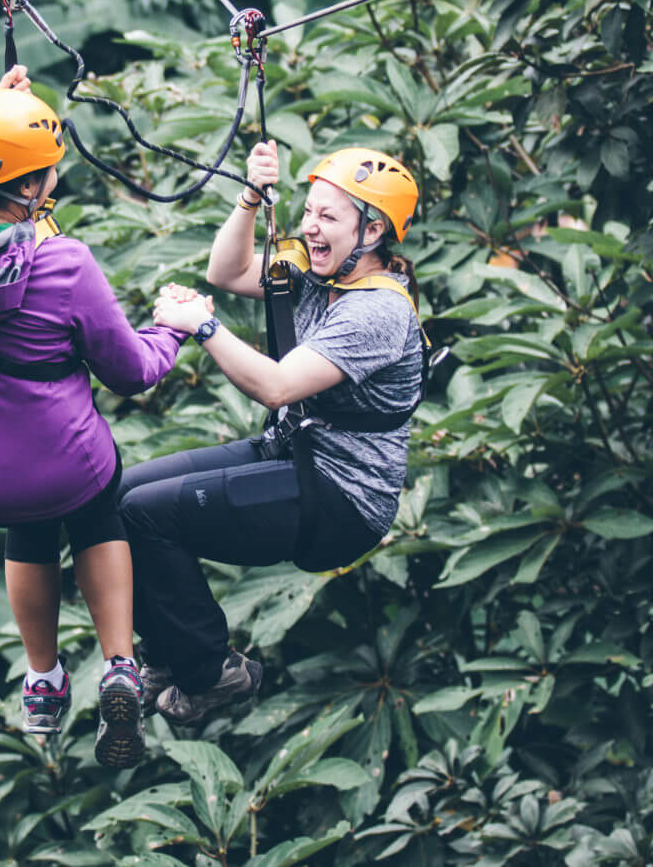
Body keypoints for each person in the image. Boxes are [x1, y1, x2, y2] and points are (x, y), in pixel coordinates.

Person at [0, 65, 186, 768]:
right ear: (32, 189)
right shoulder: (66, 265)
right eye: (48, 170)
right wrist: (173, 329)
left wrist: (3, 121)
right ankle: (119, 666)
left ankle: (42, 680)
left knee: (26, 519)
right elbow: (132, 372)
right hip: (65, 466)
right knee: (95, 504)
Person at [119, 140, 426, 725]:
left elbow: (278, 387)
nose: (310, 227)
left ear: (372, 232)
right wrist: (251, 196)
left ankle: (210, 673)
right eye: (308, 211)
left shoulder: (377, 311)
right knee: (121, 495)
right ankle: (165, 656)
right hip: (293, 453)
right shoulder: (319, 271)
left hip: (341, 498)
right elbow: (226, 272)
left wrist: (203, 326)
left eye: (327, 217)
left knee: (146, 515)